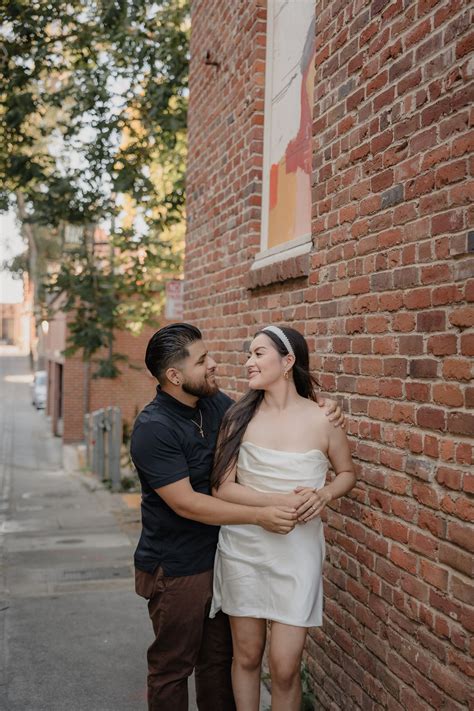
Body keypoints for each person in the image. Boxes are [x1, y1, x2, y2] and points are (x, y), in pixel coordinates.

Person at [130, 322, 345, 711]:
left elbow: (276, 410)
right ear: (175, 376)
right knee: (172, 668)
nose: (215, 364)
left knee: (218, 663)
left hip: (223, 553)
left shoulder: (218, 405)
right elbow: (188, 503)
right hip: (177, 566)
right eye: (203, 360)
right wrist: (262, 515)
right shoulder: (153, 428)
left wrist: (325, 406)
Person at [210, 325, 356, 711]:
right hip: (244, 547)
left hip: (298, 550)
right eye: (249, 354)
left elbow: (346, 474)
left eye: (258, 354)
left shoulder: (324, 418)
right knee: (246, 656)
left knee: (285, 666)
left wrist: (324, 493)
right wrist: (275, 504)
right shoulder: (237, 418)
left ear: (288, 361)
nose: (248, 362)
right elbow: (222, 489)